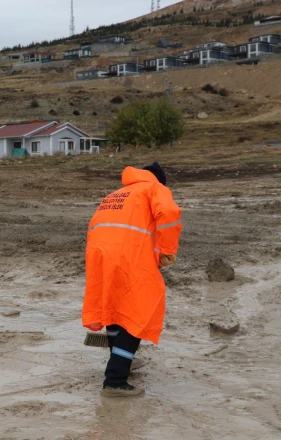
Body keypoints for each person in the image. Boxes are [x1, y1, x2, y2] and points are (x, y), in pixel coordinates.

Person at [82, 162, 182, 397]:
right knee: (140, 312)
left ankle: (120, 358)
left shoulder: (117, 194)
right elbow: (169, 214)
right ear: (158, 179)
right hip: (129, 255)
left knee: (115, 308)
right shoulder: (154, 188)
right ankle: (115, 380)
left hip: (100, 255)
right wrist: (167, 250)